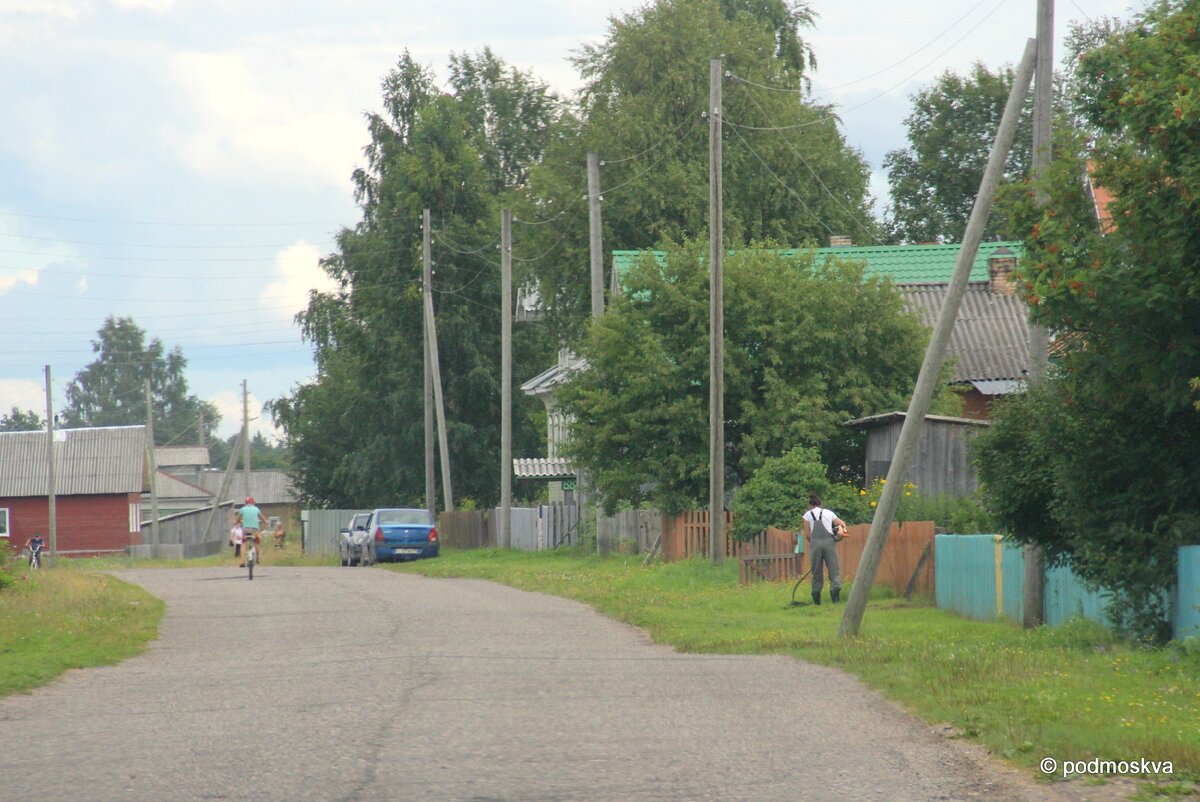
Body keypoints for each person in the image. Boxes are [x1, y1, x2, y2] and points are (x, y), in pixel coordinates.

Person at [802, 495, 847, 605]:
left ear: (810, 505)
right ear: (820, 504)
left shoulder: (807, 515)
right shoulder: (829, 513)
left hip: (815, 545)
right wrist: (837, 537)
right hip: (829, 543)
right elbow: (842, 524)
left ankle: (817, 600)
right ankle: (835, 600)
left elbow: (807, 534)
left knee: (816, 571)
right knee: (833, 570)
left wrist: (814, 542)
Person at [236, 497, 263, 565]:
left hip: (246, 529)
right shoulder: (256, 509)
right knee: (256, 542)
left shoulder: (242, 509)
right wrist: (265, 522)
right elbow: (262, 518)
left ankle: (242, 561)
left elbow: (237, 519)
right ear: (253, 502)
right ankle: (258, 558)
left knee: (243, 543)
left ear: (245, 503)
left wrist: (238, 521)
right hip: (255, 530)